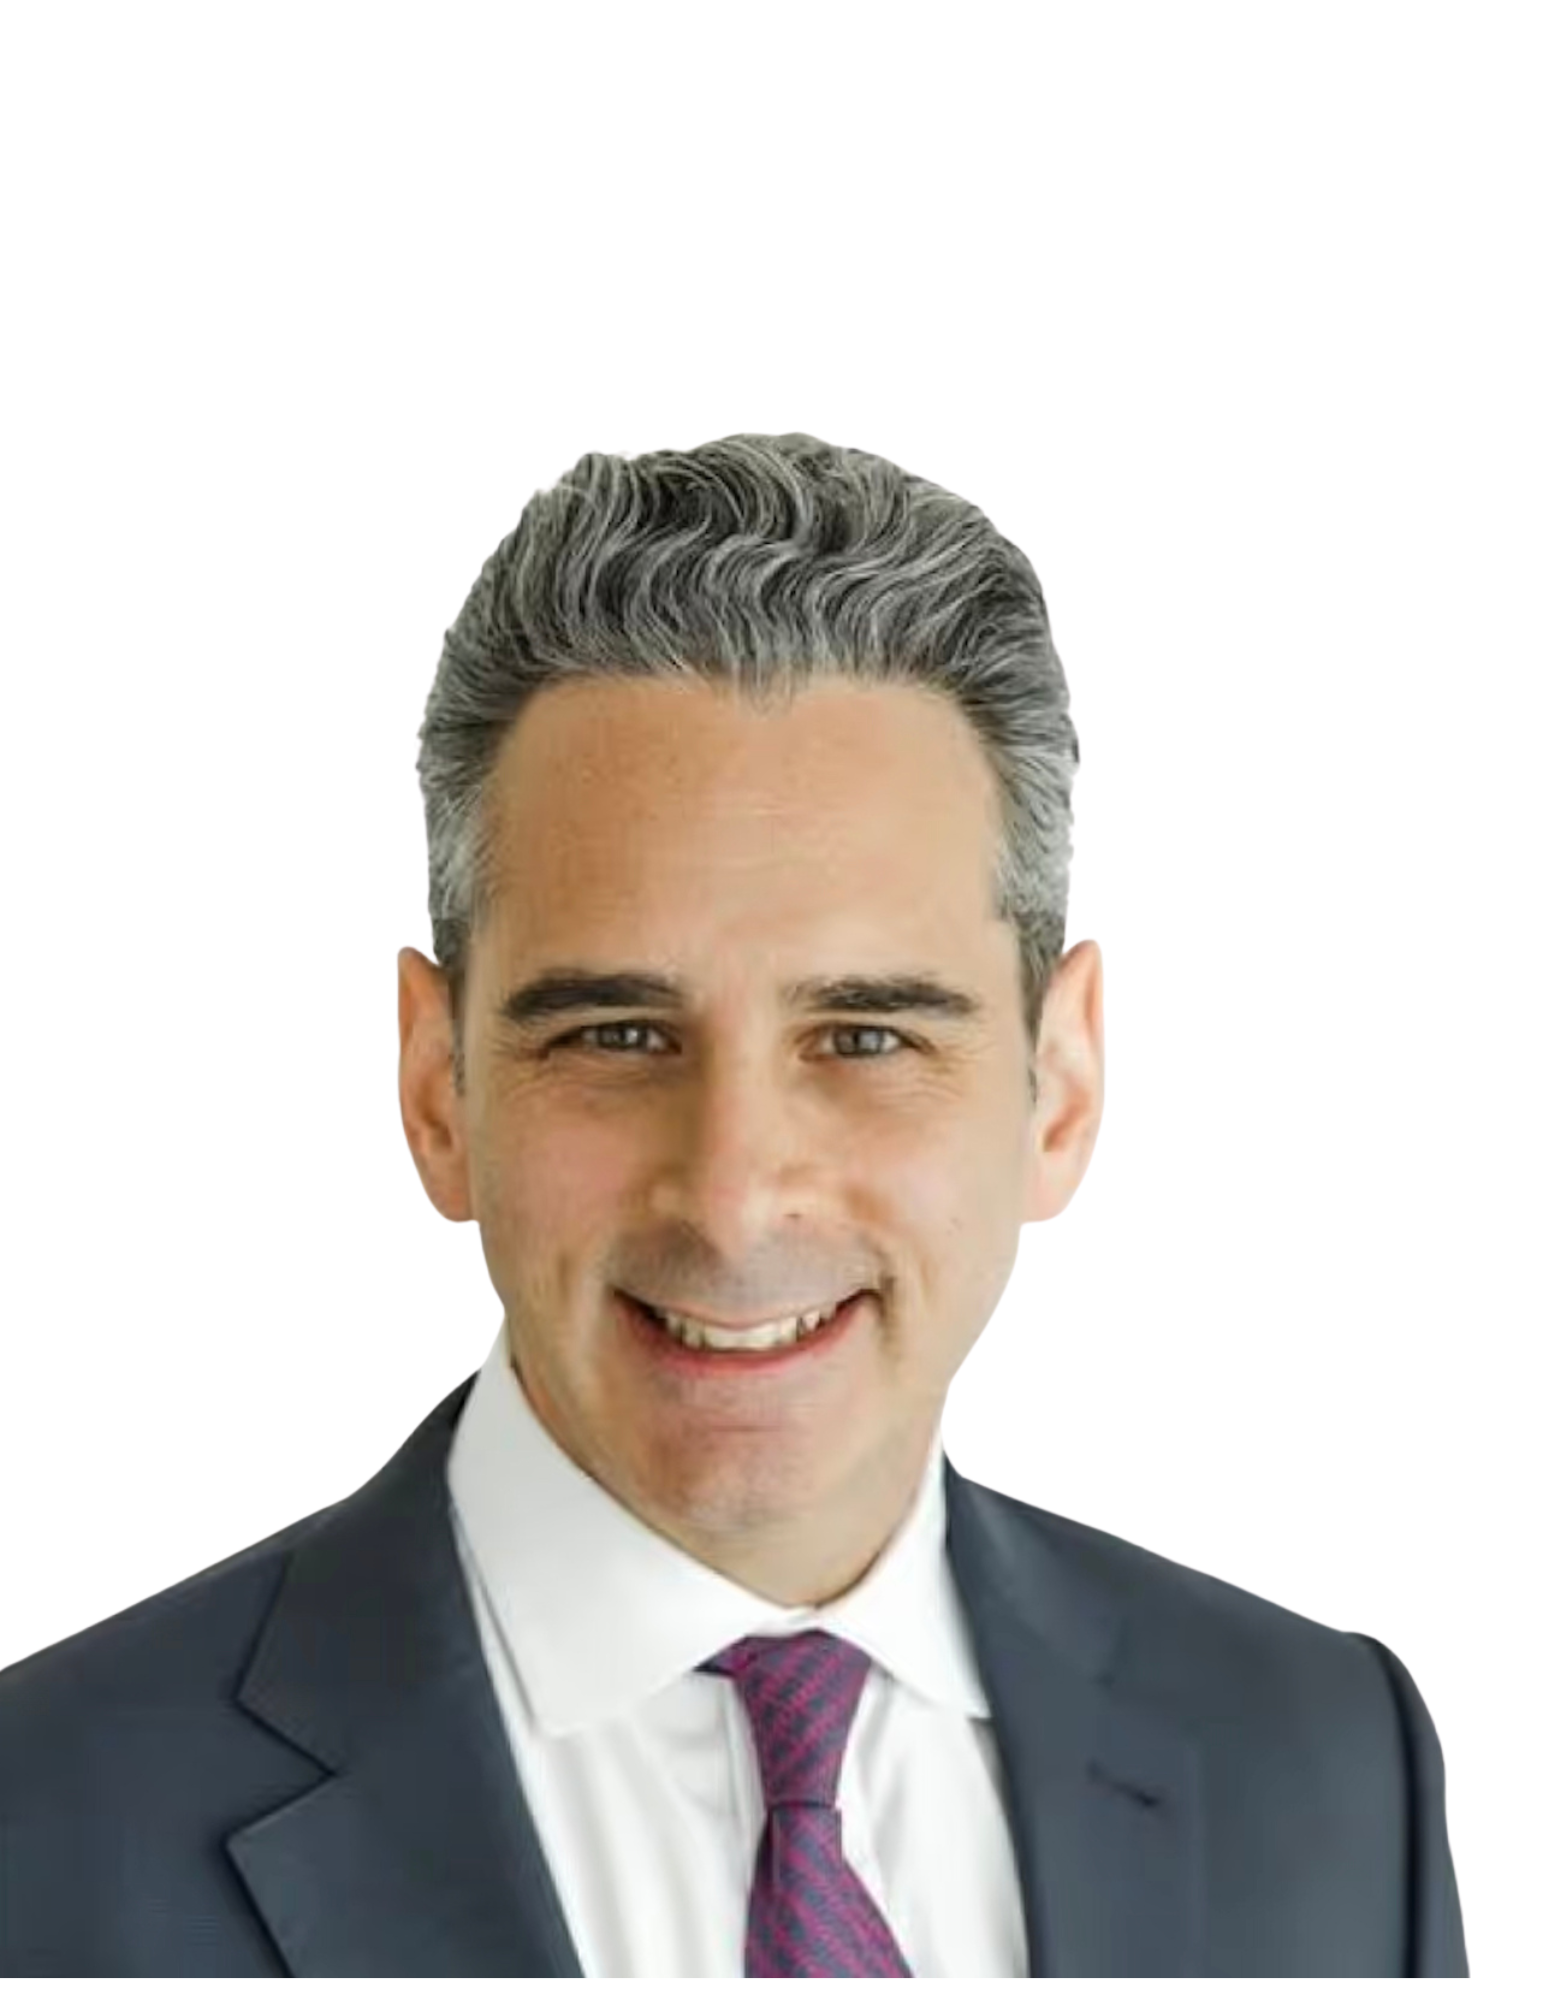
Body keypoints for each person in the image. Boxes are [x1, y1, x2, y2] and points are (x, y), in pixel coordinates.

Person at [0, 433, 1467, 1977]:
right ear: (439, 1087)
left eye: (866, 1037)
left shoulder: (1328, 1766)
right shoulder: (42, 1833)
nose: (733, 1193)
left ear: (1061, 1087)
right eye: (617, 1037)